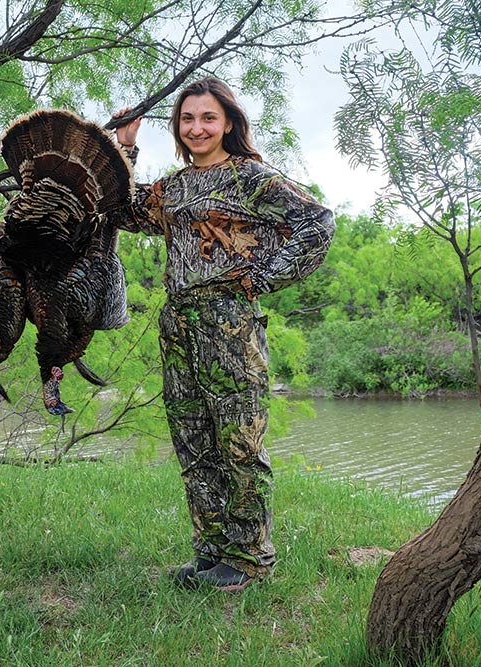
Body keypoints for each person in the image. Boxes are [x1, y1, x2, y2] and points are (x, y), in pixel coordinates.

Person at [112, 77, 335, 591]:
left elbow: (317, 222)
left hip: (230, 324)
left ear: (228, 123)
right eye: (187, 119)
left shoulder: (251, 179)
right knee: (194, 442)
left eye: (208, 118)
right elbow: (123, 209)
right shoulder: (173, 188)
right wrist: (126, 145)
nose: (197, 128)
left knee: (238, 442)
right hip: (178, 324)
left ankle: (251, 557)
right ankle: (212, 553)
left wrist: (261, 278)